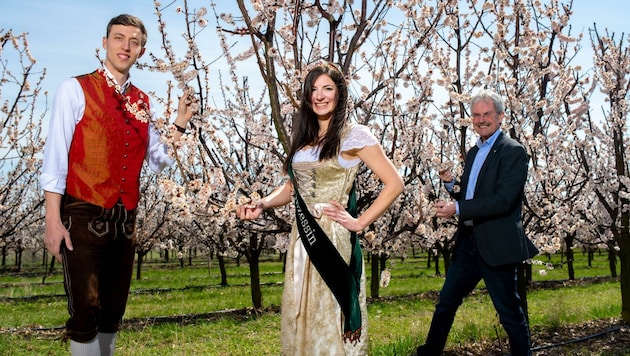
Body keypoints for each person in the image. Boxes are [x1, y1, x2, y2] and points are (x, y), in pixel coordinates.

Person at [39, 14, 195, 355]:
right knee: (85, 313)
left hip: (125, 222)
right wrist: (53, 219)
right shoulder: (74, 89)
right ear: (105, 42)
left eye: (134, 41)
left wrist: (180, 124)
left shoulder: (142, 102)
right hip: (82, 213)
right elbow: (55, 160)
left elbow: (158, 160)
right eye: (119, 38)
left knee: (112, 314)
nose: (126, 46)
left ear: (141, 50)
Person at [237, 62, 404, 355]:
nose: (320, 96)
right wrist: (262, 203)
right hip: (302, 237)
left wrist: (359, 222)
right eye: (313, 89)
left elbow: (394, 183)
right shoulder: (303, 138)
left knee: (327, 307)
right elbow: (292, 188)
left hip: (332, 235)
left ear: (339, 94)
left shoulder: (354, 135)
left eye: (327, 88)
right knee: (303, 309)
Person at [412, 90, 539, 356]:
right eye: (476, 115)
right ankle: (430, 352)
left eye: (487, 114)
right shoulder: (473, 152)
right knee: (445, 303)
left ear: (501, 116)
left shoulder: (513, 152)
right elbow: (471, 196)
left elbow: (502, 200)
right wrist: (451, 185)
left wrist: (457, 207)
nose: (481, 120)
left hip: (496, 244)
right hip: (467, 243)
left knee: (509, 314)